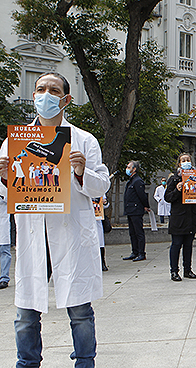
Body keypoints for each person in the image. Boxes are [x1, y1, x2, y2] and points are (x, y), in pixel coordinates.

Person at [0, 72, 110, 368]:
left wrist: (79, 173)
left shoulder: (83, 140)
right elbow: (7, 192)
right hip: (34, 236)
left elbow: (102, 185)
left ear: (66, 99)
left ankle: (85, 362)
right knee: (26, 313)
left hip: (70, 233)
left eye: (52, 90)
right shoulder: (16, 142)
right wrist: (3, 177)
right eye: (40, 89)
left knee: (80, 310)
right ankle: (27, 363)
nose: (45, 95)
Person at [165, 153, 196, 282]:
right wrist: (177, 189)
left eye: (188, 160)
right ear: (179, 164)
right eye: (183, 160)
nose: (186, 162)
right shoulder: (174, 179)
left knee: (188, 245)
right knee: (176, 244)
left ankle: (187, 269)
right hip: (178, 218)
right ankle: (174, 271)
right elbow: (168, 197)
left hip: (191, 216)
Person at [123, 160, 150, 262]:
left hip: (136, 210)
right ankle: (134, 252)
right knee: (132, 232)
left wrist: (146, 206)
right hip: (130, 210)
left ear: (134, 169)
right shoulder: (131, 180)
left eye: (129, 167)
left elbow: (142, 195)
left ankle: (141, 253)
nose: (127, 169)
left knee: (138, 232)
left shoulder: (137, 181)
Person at [0, 188, 10, 289]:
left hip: (2, 222)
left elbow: (10, 199)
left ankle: (4, 278)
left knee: (4, 251)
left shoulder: (3, 183)